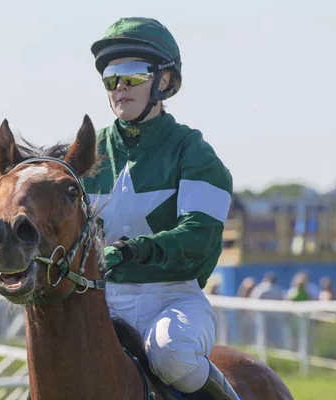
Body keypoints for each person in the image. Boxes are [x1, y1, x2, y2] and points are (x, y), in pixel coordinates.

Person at [83, 17, 238, 400]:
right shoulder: (88, 152)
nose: (120, 87)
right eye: (111, 77)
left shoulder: (194, 151)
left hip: (173, 299)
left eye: (133, 75)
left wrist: (138, 249)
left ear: (164, 82)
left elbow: (200, 235)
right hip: (102, 298)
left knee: (171, 356)